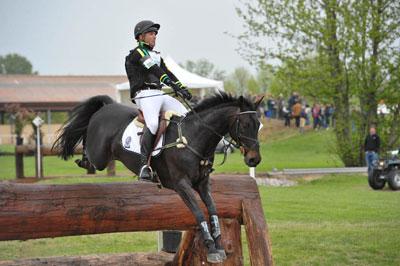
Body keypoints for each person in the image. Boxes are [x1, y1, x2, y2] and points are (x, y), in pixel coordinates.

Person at [125, 20, 192, 181]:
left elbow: (166, 71)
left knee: (187, 114)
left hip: (159, 94)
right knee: (153, 124)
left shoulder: (156, 55)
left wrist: (182, 87)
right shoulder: (138, 53)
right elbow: (154, 70)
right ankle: (143, 166)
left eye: (155, 33)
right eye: (151, 33)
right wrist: (171, 84)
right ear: (141, 37)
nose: (154, 36)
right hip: (144, 95)